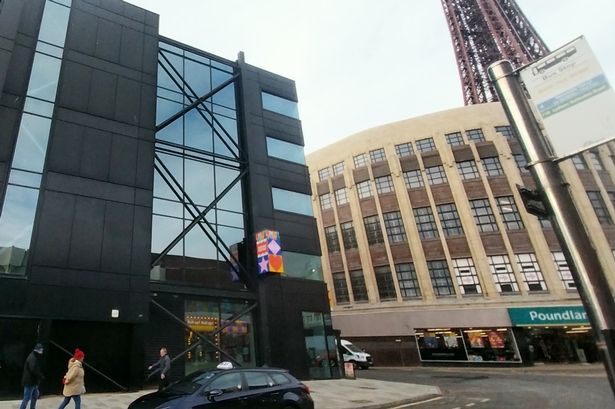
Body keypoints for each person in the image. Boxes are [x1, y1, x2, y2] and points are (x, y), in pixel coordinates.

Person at [19, 343, 45, 409]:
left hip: (33, 382)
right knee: (26, 398)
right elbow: (33, 370)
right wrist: (40, 375)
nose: (42, 352)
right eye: (41, 350)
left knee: (35, 395)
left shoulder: (34, 357)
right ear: (37, 350)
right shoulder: (32, 358)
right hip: (29, 382)